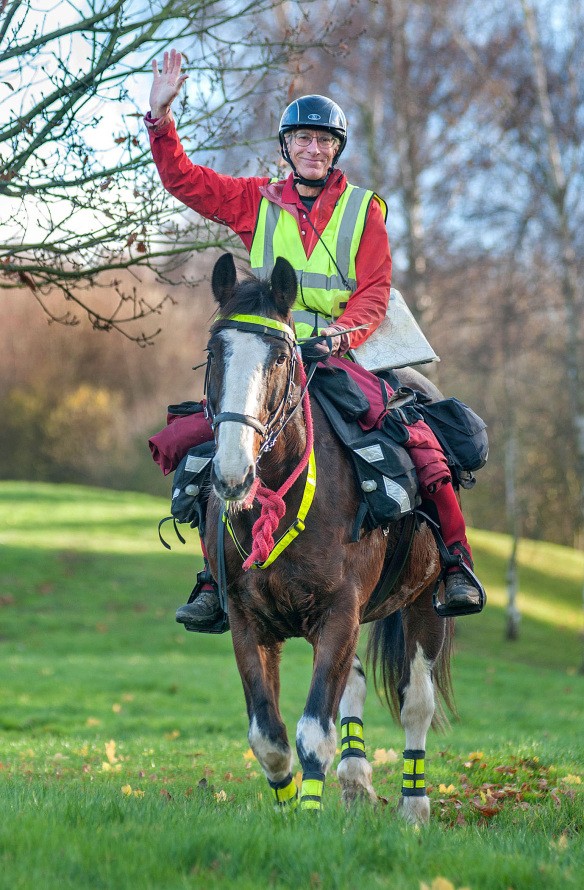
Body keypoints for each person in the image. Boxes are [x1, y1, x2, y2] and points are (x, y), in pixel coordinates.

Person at [146, 49, 483, 629]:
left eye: (323, 141)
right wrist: (160, 119)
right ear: (286, 147)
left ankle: (454, 561)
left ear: (335, 151)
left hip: (336, 358)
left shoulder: (362, 211)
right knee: (206, 443)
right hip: (266, 359)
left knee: (417, 436)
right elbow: (185, 181)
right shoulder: (257, 200)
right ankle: (213, 575)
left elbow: (375, 292)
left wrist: (338, 334)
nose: (312, 148)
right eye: (301, 139)